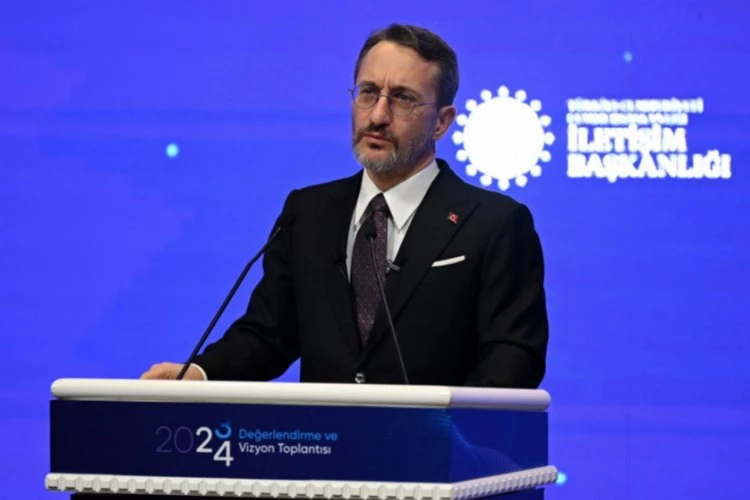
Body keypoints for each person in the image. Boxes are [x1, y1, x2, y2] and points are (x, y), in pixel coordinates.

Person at [141, 23, 549, 388]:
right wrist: (199, 373)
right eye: (368, 92)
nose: (379, 115)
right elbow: (269, 334)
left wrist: (446, 433)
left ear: (441, 122)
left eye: (403, 98)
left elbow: (513, 358)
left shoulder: (494, 224)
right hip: (324, 445)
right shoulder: (308, 213)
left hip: (436, 446)